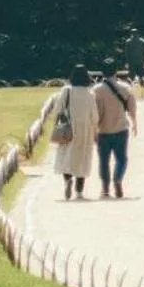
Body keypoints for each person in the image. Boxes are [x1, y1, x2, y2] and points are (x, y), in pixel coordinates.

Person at [51, 66, 100, 201]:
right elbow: (94, 116)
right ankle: (79, 191)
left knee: (65, 156)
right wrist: (95, 131)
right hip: (85, 130)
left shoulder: (66, 91)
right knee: (82, 159)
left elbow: (58, 109)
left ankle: (68, 180)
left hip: (68, 129)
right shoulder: (90, 94)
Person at [92, 68, 137, 199]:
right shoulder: (125, 88)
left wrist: (93, 129)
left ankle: (105, 188)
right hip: (121, 129)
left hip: (103, 130)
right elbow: (132, 108)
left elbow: (93, 112)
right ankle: (117, 179)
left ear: (103, 73)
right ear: (115, 73)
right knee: (121, 158)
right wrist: (134, 123)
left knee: (103, 160)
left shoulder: (96, 90)